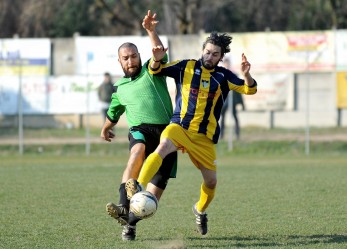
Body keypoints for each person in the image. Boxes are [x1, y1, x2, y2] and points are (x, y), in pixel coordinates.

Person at [126, 11, 257, 236]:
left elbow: (250, 89)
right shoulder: (185, 67)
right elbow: (155, 70)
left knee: (212, 182)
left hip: (204, 138)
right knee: (162, 146)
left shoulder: (224, 77)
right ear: (202, 50)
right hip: (179, 127)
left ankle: (199, 210)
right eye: (207, 51)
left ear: (220, 56)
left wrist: (246, 75)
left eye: (215, 54)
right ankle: (136, 186)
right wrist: (156, 58)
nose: (210, 56)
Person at [100, 11, 177, 241]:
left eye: (133, 56)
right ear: (119, 61)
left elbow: (158, 54)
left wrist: (151, 31)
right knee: (137, 150)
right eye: (126, 58)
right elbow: (113, 113)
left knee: (150, 200)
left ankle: (130, 224)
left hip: (167, 133)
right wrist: (105, 127)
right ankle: (124, 204)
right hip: (140, 130)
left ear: (138, 56)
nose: (130, 61)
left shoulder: (151, 71)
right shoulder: (120, 88)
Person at [220, 58, 245, 140]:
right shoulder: (220, 75)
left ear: (229, 64)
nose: (226, 65)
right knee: (222, 118)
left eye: (228, 63)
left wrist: (241, 103)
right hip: (223, 101)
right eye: (225, 64)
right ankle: (221, 135)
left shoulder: (234, 75)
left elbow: (239, 89)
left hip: (232, 101)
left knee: (235, 117)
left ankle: (237, 134)